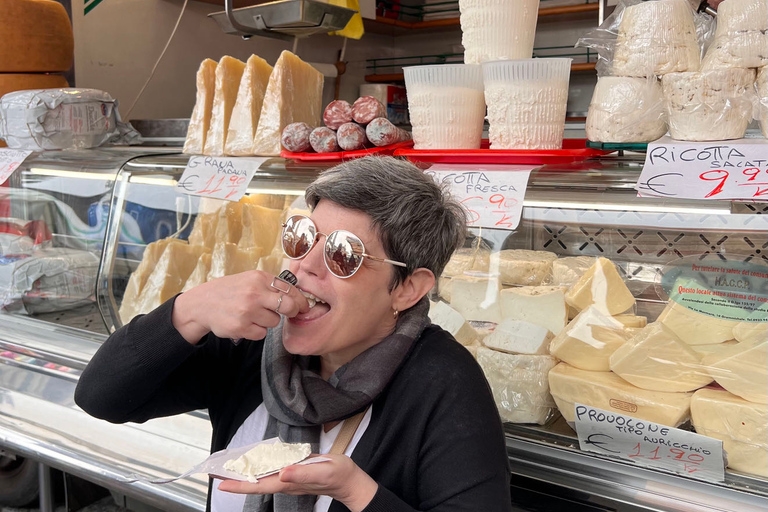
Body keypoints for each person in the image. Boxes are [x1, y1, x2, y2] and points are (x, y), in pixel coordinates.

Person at [75, 156, 512, 512]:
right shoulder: (253, 341)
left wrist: (358, 493)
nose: (304, 266)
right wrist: (190, 310)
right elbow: (101, 398)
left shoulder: (444, 383)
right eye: (302, 237)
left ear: (408, 288)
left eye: (343, 254)